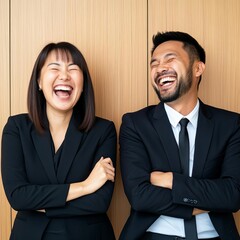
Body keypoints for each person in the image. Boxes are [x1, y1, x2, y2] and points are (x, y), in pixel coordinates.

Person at [119, 31, 240, 240]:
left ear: (198, 68)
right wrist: (207, 200)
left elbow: (232, 195)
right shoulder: (135, 124)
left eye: (170, 59)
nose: (159, 68)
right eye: (154, 63)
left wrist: (170, 180)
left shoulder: (230, 124)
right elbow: (140, 197)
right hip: (153, 235)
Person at [1, 42, 116, 240]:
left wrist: (39, 203)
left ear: (83, 85)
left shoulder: (103, 131)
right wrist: (85, 187)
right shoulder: (16, 128)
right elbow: (18, 197)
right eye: (54, 68)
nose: (64, 75)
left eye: (73, 68)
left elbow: (99, 202)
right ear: (38, 81)